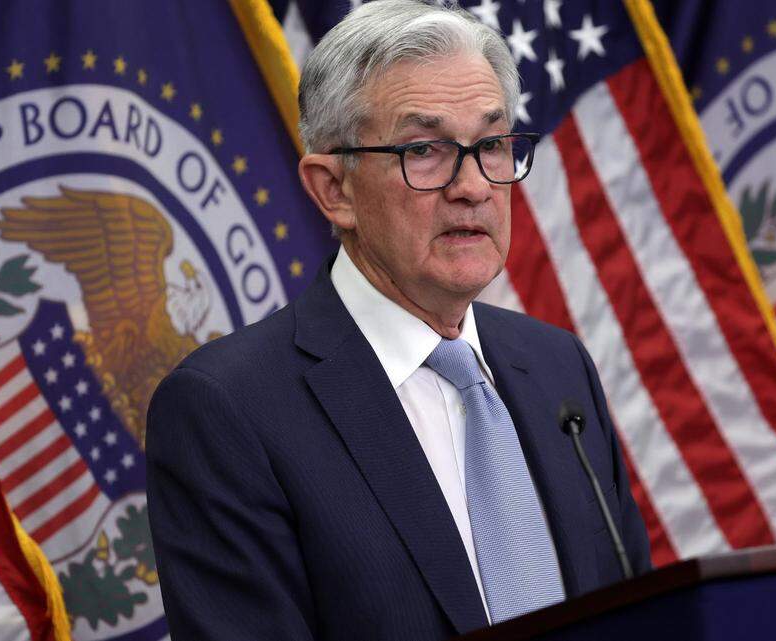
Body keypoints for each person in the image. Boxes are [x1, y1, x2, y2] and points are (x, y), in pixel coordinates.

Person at [146, 1, 651, 639]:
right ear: (334, 189)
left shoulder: (556, 366)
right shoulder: (227, 409)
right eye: (425, 150)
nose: (474, 186)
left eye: (491, 145)